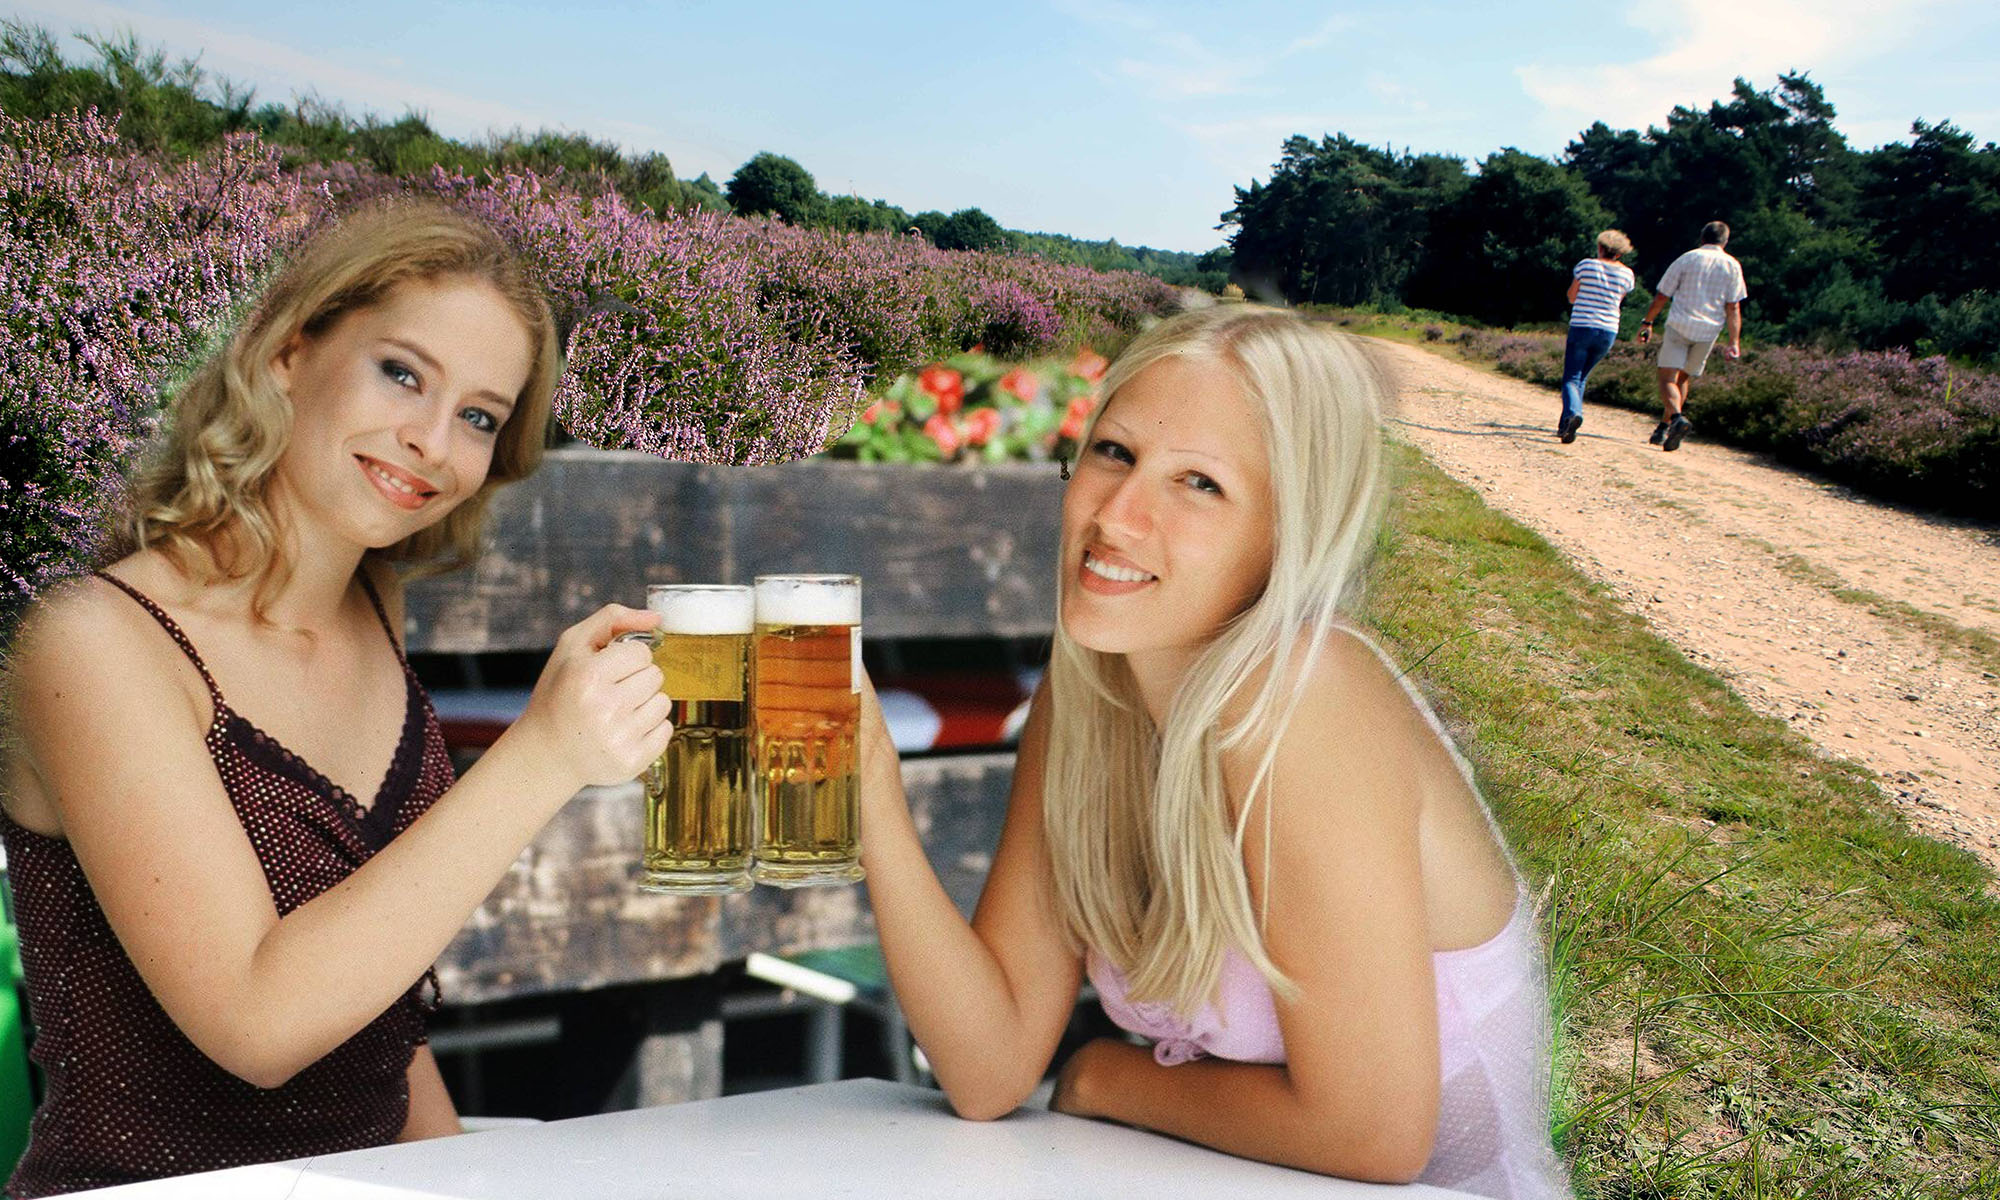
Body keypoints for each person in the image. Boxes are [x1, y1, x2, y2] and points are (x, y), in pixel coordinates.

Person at [0, 202, 673, 1197]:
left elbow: (371, 995)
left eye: (480, 417)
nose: (431, 442)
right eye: (401, 373)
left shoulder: (369, 605)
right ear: (287, 354)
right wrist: (542, 759)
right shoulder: (92, 642)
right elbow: (256, 1022)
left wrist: (458, 1175)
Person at [857, 307, 1571, 1198]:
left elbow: (1375, 1134)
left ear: (1284, 534)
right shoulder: (1088, 701)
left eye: (1199, 483)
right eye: (1114, 452)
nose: (1118, 516)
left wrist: (1102, 1077)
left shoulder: (1304, 699)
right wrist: (872, 794)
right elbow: (989, 1067)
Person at [1635, 221, 1747, 451]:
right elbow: (1733, 307)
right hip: (1708, 331)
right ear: (1725, 241)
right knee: (1683, 379)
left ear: (1702, 237)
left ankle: (1675, 418)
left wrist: (1648, 321)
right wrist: (1733, 342)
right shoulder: (1733, 265)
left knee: (1667, 378)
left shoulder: (1686, 259)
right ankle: (1664, 428)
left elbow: (1662, 295)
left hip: (1680, 324)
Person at [1555, 230, 1637, 444]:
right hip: (1609, 329)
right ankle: (1565, 425)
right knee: (1582, 377)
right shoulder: (1627, 274)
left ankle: (1573, 414)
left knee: (1571, 378)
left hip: (1583, 325)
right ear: (1619, 253)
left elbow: (1572, 296)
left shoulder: (1586, 265)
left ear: (1600, 247)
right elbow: (1620, 299)